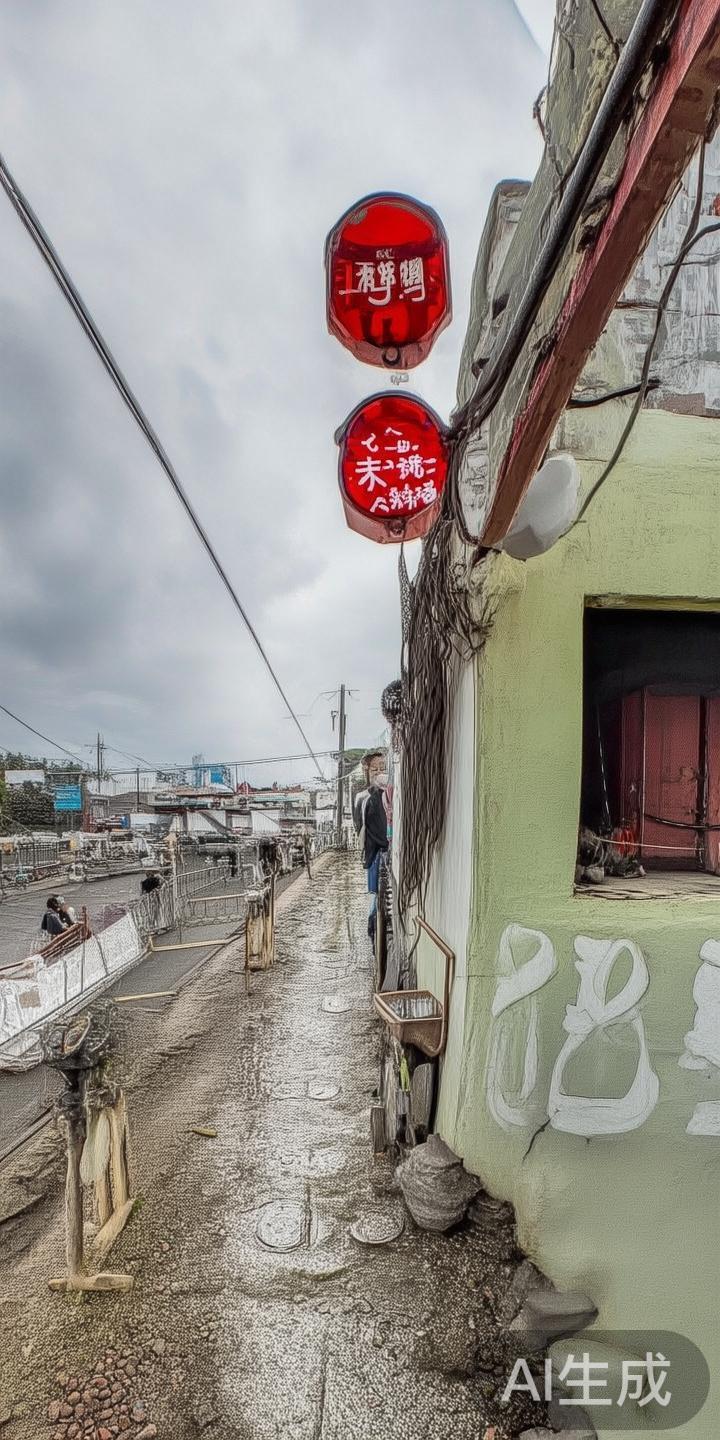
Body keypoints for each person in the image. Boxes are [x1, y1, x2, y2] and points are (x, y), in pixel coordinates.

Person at [363, 772, 389, 945]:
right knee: (375, 893)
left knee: (374, 892)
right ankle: (372, 927)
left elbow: (366, 827)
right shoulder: (378, 801)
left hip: (373, 852)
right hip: (378, 852)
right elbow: (378, 829)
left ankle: (372, 928)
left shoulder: (372, 800)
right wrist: (387, 843)